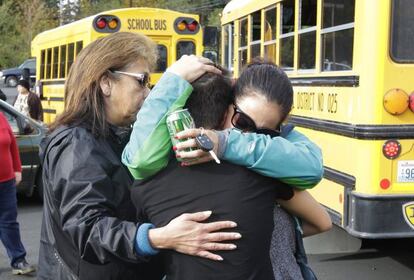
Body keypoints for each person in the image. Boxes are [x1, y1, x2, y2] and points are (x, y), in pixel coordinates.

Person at [37, 32, 240, 280]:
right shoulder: (77, 143)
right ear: (105, 83)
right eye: (142, 81)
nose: (147, 93)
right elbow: (87, 229)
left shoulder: (112, 135)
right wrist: (160, 237)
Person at [132, 71, 290, 279]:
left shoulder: (144, 185)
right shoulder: (263, 171)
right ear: (226, 113)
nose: (250, 137)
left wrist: (162, 238)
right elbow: (321, 221)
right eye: (243, 122)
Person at [0, 111, 36, 275]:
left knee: (9, 222)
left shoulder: (0, 116)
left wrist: (17, 168)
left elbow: (12, 143)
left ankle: (18, 260)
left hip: (6, 181)